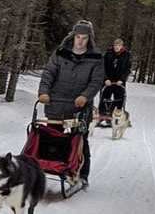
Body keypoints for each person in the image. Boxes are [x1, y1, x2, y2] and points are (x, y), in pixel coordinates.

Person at [38, 20, 104, 187]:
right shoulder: (60, 53)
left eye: (84, 38)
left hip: (80, 106)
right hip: (56, 102)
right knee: (51, 135)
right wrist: (44, 92)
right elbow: (49, 73)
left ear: (90, 39)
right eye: (78, 37)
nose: (80, 41)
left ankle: (82, 174)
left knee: (80, 138)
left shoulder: (96, 58)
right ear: (73, 37)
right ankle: (48, 165)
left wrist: (85, 96)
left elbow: (96, 81)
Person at [99, 38, 131, 115]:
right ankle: (102, 115)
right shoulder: (108, 53)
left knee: (119, 99)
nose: (117, 47)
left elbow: (127, 69)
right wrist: (105, 79)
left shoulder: (126, 55)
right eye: (115, 45)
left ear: (122, 46)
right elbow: (102, 67)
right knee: (104, 98)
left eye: (119, 45)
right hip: (108, 81)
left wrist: (122, 79)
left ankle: (116, 115)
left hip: (119, 81)